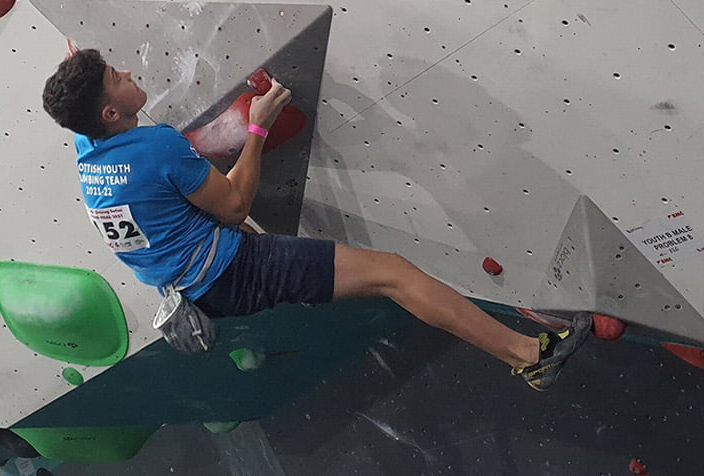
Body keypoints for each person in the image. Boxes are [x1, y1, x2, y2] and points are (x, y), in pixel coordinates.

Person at [41, 49, 590, 390]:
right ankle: (528, 358)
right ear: (111, 113)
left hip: (197, 285)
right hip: (234, 271)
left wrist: (80, 64)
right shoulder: (155, 148)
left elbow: (86, 105)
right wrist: (257, 129)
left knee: (382, 271)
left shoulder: (90, 147)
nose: (131, 71)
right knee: (393, 272)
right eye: (117, 76)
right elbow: (233, 207)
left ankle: (525, 356)